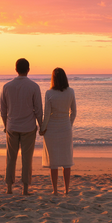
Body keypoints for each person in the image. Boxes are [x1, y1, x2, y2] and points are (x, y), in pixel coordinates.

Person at [0, 58, 43, 195]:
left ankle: (9, 188)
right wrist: (41, 125)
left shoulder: (7, 86)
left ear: (16, 69)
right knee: (27, 158)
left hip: (12, 126)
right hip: (29, 127)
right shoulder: (34, 86)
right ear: (28, 69)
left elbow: (3, 109)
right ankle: (25, 189)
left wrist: (5, 125)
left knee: (10, 158)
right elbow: (38, 109)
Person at [39, 67, 76, 195]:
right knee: (66, 161)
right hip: (65, 128)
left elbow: (47, 114)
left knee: (53, 162)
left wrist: (42, 129)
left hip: (52, 129)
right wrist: (68, 124)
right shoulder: (70, 92)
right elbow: (74, 112)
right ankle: (66, 190)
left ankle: (55, 190)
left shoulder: (49, 93)